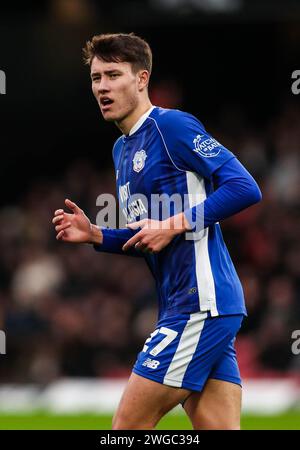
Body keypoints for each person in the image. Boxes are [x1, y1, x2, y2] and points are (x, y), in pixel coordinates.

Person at [52, 33, 262, 430]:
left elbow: (244, 187)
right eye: (96, 78)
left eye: (113, 75)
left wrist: (173, 223)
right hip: (188, 304)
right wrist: (96, 234)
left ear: (142, 79)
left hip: (199, 301)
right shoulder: (121, 150)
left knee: (126, 430)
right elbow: (149, 236)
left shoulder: (172, 126)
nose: (102, 87)